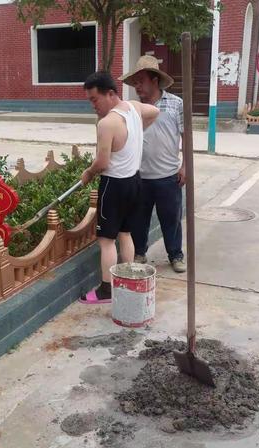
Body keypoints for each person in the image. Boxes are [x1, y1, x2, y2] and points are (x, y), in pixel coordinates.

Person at [79, 71, 159, 304]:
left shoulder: (107, 123)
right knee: (125, 234)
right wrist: (139, 129)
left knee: (106, 240)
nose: (93, 105)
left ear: (111, 93)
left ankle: (106, 290)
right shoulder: (133, 107)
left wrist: (88, 173)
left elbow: (102, 163)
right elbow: (155, 111)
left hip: (114, 185)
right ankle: (128, 278)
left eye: (95, 99)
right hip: (135, 182)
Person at [119, 55, 186, 273]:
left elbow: (187, 136)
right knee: (139, 219)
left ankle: (175, 255)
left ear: (155, 80)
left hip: (169, 176)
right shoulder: (132, 108)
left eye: (141, 81)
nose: (137, 86)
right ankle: (139, 253)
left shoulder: (176, 104)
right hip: (140, 176)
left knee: (172, 219)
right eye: (135, 82)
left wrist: (185, 167)